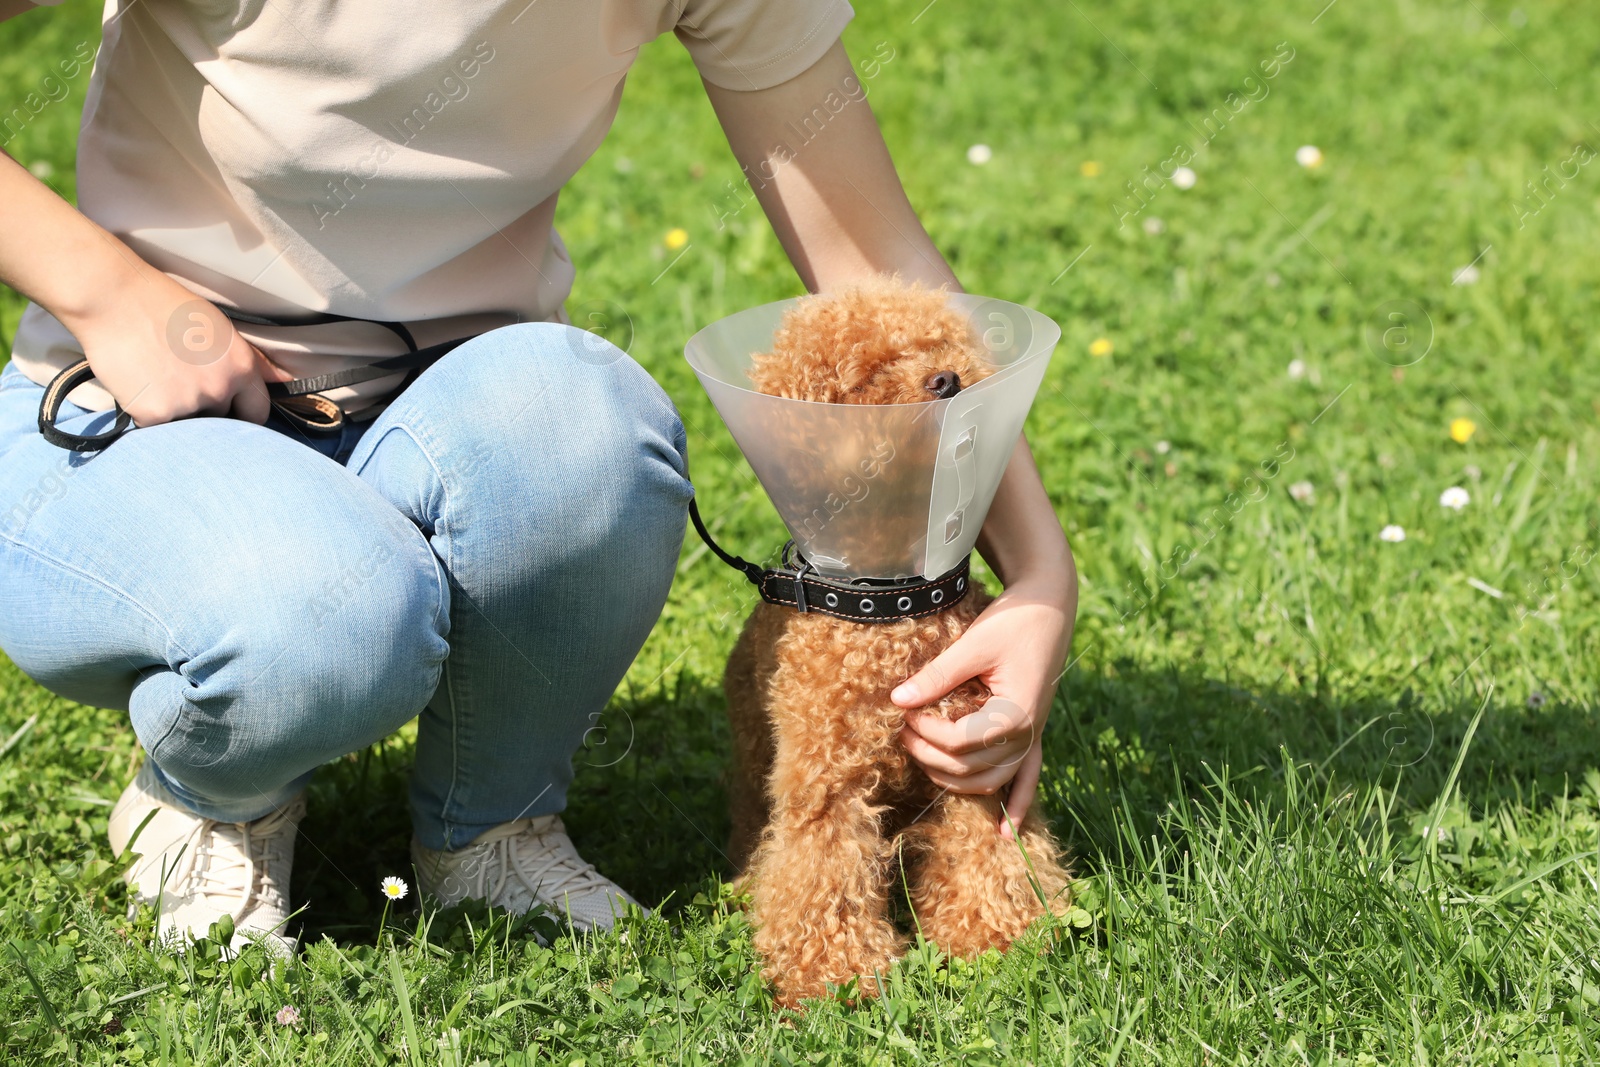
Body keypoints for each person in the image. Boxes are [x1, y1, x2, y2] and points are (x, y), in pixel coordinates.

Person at [0, 0, 1078, 952]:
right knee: (326, 612)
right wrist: (106, 290)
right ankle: (211, 793)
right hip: (135, 414)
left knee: (593, 427)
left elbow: (873, 262)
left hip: (452, 413)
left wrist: (1038, 579)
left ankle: (491, 825)